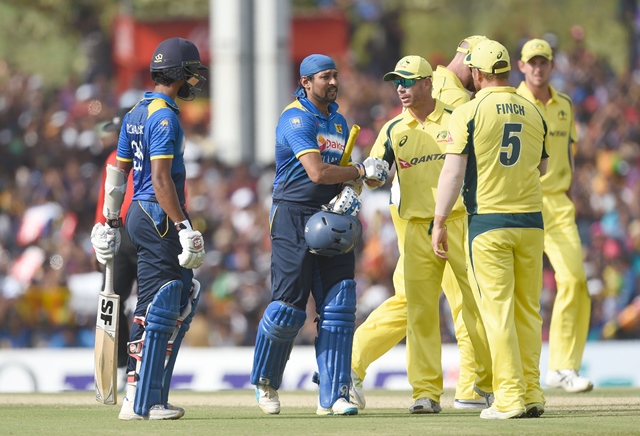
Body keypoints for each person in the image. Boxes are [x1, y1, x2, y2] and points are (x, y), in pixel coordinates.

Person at [351, 37, 494, 412]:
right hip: (415, 226)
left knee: (475, 305)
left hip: (460, 222)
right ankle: (426, 393)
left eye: (409, 81)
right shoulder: (392, 130)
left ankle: (489, 383)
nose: (401, 89)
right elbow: (375, 171)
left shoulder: (456, 117)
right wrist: (371, 175)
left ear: (428, 83)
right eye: (397, 82)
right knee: (420, 310)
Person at [250, 53, 389, 417]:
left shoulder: (340, 123)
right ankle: (265, 381)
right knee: (288, 310)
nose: (332, 82)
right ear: (306, 82)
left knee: (340, 305)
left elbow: (341, 175)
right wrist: (359, 169)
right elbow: (315, 172)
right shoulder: (294, 118)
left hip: (331, 215)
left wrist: (360, 181)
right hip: (292, 217)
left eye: (334, 75)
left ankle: (335, 394)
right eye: (324, 77)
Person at [90, 37, 208, 420]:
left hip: (136, 215)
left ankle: (150, 393)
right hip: (157, 214)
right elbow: (160, 180)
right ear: (178, 74)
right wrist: (183, 226)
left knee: (183, 293)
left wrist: (109, 221)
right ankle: (139, 401)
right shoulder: (163, 117)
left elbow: (116, 173)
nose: (194, 79)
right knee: (158, 302)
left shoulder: (135, 113)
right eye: (191, 72)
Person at [432, 39, 549, 420]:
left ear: (478, 74)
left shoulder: (467, 110)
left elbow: (453, 172)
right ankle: (532, 393)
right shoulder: (533, 109)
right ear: (507, 72)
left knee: (496, 313)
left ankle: (510, 397)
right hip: (531, 221)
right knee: (528, 312)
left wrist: (438, 221)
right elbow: (542, 168)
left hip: (489, 223)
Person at [516, 38, 593, 393]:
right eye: (531, 62)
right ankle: (499, 376)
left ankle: (562, 367)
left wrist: (573, 193)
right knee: (518, 293)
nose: (537, 67)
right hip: (520, 201)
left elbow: (569, 154)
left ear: (552, 65)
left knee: (575, 281)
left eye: (543, 61)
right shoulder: (512, 103)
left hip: (559, 205)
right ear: (520, 66)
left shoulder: (564, 105)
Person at [94, 107, 136, 390]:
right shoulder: (113, 158)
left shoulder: (151, 156)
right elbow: (104, 202)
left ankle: (136, 368)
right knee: (111, 304)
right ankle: (119, 366)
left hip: (147, 234)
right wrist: (98, 235)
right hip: (119, 235)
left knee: (148, 307)